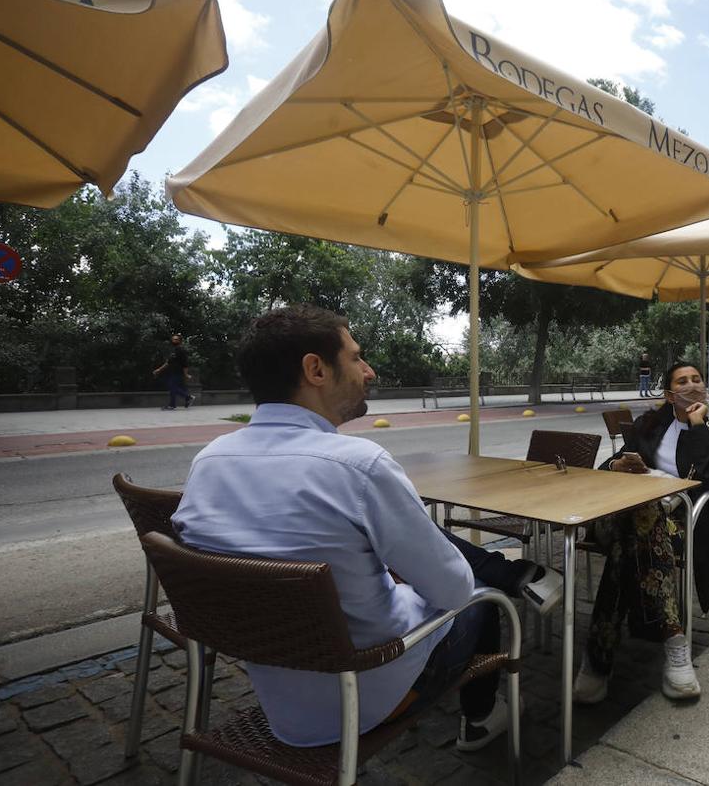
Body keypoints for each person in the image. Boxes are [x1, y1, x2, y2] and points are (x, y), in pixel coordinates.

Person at [172, 305, 561, 750]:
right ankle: (482, 718)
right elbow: (453, 591)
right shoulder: (358, 465)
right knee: (480, 602)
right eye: (356, 357)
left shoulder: (209, 461)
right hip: (363, 697)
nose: (369, 371)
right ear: (315, 369)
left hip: (281, 703)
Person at [574, 360, 709, 705]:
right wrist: (618, 465)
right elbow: (611, 464)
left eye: (697, 379)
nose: (692, 386)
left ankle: (598, 659)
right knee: (641, 518)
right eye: (683, 381)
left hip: (682, 521)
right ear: (668, 393)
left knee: (629, 546)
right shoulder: (649, 425)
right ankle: (675, 642)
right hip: (618, 516)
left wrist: (698, 427)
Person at [153, 333, 193, 410]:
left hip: (178, 372)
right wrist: (159, 370)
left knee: (172, 387)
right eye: (173, 339)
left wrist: (186, 374)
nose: (174, 341)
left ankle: (187, 398)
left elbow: (185, 363)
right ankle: (174, 404)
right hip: (171, 372)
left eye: (176, 339)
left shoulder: (181, 350)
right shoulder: (174, 350)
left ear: (180, 341)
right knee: (172, 388)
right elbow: (168, 362)